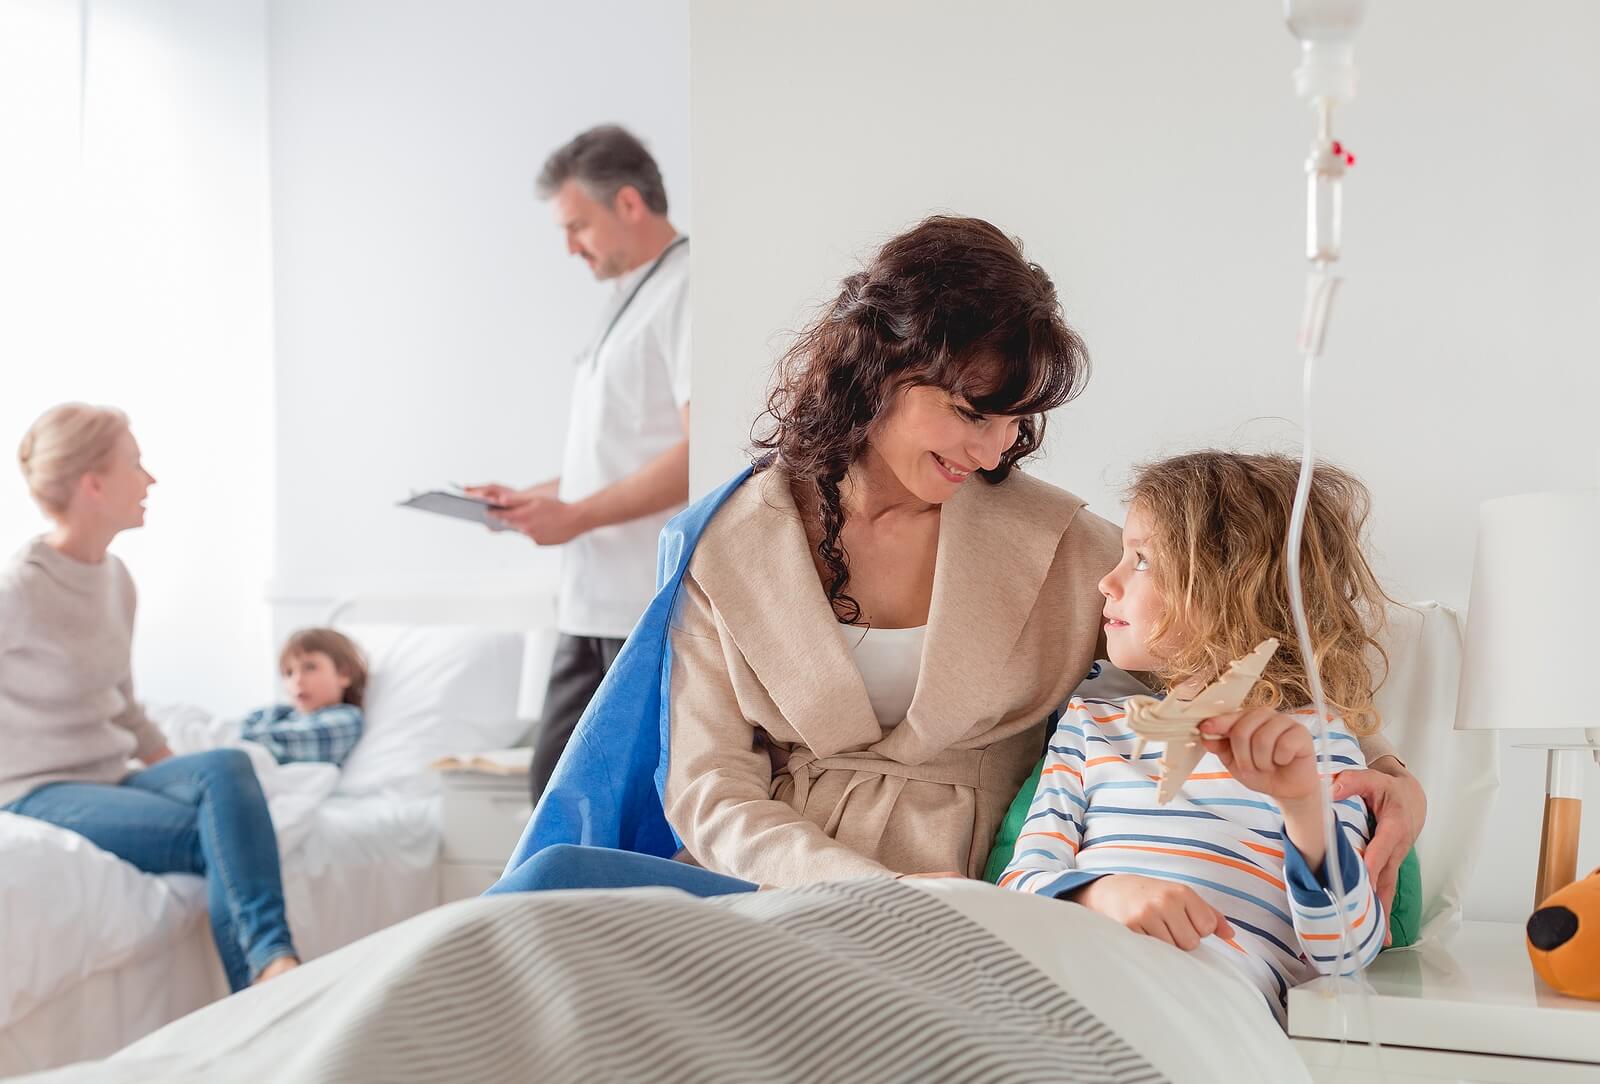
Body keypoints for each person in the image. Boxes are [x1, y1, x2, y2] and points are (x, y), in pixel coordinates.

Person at [493, 216, 1425, 905]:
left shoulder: (1067, 549)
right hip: (772, 887)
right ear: (875, 367)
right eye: (971, 411)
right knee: (547, 894)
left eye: (1017, 421)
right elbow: (709, 785)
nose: (992, 450)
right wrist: (861, 889)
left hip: (979, 899)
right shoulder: (727, 544)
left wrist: (1392, 775)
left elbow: (1238, 653)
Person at [999, 451, 1390, 1024]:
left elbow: (1347, 951)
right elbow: (1019, 884)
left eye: (1142, 561)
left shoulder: (1311, 746)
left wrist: (1303, 807)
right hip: (1060, 955)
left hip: (1198, 989)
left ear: (1230, 584)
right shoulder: (1091, 725)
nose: (1107, 581)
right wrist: (1100, 893)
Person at [1, 403, 300, 990]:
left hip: (113, 775)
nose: (150, 480)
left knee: (226, 766)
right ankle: (272, 972)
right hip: (37, 791)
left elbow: (125, 704)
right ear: (93, 484)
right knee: (221, 840)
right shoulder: (18, 590)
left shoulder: (116, 578)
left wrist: (197, 782)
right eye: (135, 465)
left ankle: (270, 971)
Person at [468, 124, 690, 804]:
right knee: (556, 805)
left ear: (628, 203)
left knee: (586, 813)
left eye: (577, 226)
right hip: (591, 607)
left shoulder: (688, 287)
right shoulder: (630, 299)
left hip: (638, 611)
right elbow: (615, 455)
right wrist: (534, 500)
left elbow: (698, 453)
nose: (570, 247)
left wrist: (577, 516)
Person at [240, 628, 367, 767]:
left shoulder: (345, 718)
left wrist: (243, 740)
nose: (297, 680)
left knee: (224, 758)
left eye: (310, 667)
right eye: (289, 673)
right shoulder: (278, 713)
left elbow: (290, 742)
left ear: (344, 673)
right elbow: (243, 726)